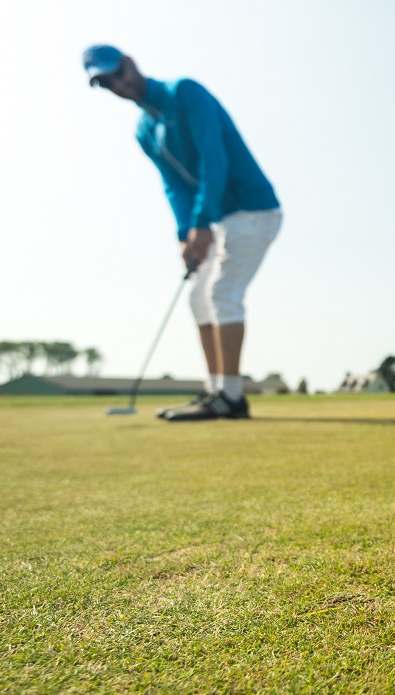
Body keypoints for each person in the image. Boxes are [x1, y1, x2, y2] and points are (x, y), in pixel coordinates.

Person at [84, 45, 283, 422]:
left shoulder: (184, 93)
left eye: (117, 73)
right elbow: (174, 186)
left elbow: (213, 158)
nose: (117, 85)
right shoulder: (144, 131)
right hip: (216, 217)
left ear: (131, 63)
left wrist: (203, 222)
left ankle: (232, 396)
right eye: (106, 82)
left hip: (251, 207)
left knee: (222, 292)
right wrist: (184, 232)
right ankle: (216, 389)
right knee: (198, 297)